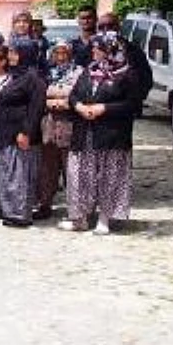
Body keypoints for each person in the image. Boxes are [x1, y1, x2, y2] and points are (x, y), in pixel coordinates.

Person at [60, 33, 137, 235]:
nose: (93, 51)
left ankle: (105, 218)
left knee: (108, 176)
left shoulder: (127, 74)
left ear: (110, 50)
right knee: (78, 174)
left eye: (98, 48)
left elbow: (132, 105)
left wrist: (104, 108)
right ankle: (80, 217)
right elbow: (74, 94)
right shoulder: (89, 71)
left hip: (112, 135)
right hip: (84, 133)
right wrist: (78, 106)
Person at [0, 40, 44, 227]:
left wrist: (26, 132)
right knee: (7, 174)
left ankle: (21, 214)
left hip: (20, 135)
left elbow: (36, 108)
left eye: (15, 53)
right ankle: (9, 211)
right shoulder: (15, 76)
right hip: (5, 134)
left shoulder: (33, 78)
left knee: (20, 175)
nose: (11, 56)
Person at [36, 40, 85, 220]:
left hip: (70, 125)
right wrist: (52, 102)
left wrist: (62, 102)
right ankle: (45, 204)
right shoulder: (47, 73)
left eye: (64, 52)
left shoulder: (79, 72)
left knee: (71, 168)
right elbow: (39, 96)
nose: (61, 56)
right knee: (47, 169)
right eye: (57, 53)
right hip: (49, 125)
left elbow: (81, 95)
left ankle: (76, 209)